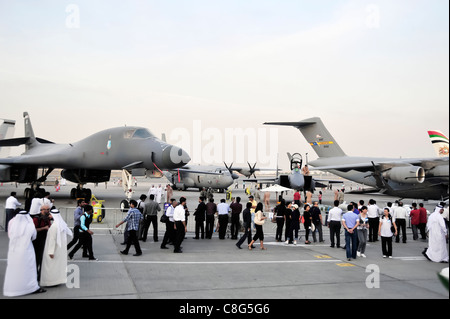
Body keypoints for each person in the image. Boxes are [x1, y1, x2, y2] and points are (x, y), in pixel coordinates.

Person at [3, 211, 46, 297]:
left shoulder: (12, 222)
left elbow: (9, 235)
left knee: (15, 269)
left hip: (14, 250)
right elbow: (34, 236)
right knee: (28, 268)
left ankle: (15, 288)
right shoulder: (29, 223)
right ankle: (30, 287)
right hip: (26, 249)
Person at [40, 209, 73, 287]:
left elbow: (52, 239)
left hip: (53, 250)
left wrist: (50, 252)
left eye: (50, 215)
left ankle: (50, 282)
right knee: (57, 266)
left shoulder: (54, 226)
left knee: (50, 266)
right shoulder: (61, 224)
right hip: (59, 250)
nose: (49, 216)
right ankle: (56, 280)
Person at [32, 204, 52, 281]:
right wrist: (44, 228)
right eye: (47, 209)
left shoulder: (47, 218)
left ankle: (40, 275)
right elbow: (34, 229)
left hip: (45, 240)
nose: (48, 211)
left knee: (43, 259)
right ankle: (35, 274)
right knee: (37, 258)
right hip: (38, 241)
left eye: (49, 209)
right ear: (42, 210)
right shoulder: (37, 218)